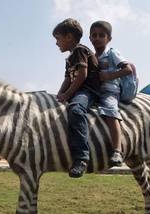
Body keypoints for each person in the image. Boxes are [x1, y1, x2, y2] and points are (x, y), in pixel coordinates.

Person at [52, 18, 101, 178]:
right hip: (77, 90)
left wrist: (67, 95)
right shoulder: (70, 57)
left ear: (69, 37)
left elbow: (82, 75)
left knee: (76, 110)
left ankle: (81, 157)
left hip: (88, 90)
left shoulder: (80, 50)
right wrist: (59, 95)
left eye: (58, 39)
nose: (57, 43)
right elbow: (68, 78)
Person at [89, 21, 133, 166]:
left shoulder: (112, 53)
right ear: (90, 38)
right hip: (95, 91)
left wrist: (109, 76)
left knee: (110, 110)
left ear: (109, 38)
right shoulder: (92, 56)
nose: (97, 38)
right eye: (94, 35)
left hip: (110, 91)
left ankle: (117, 149)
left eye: (102, 35)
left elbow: (127, 69)